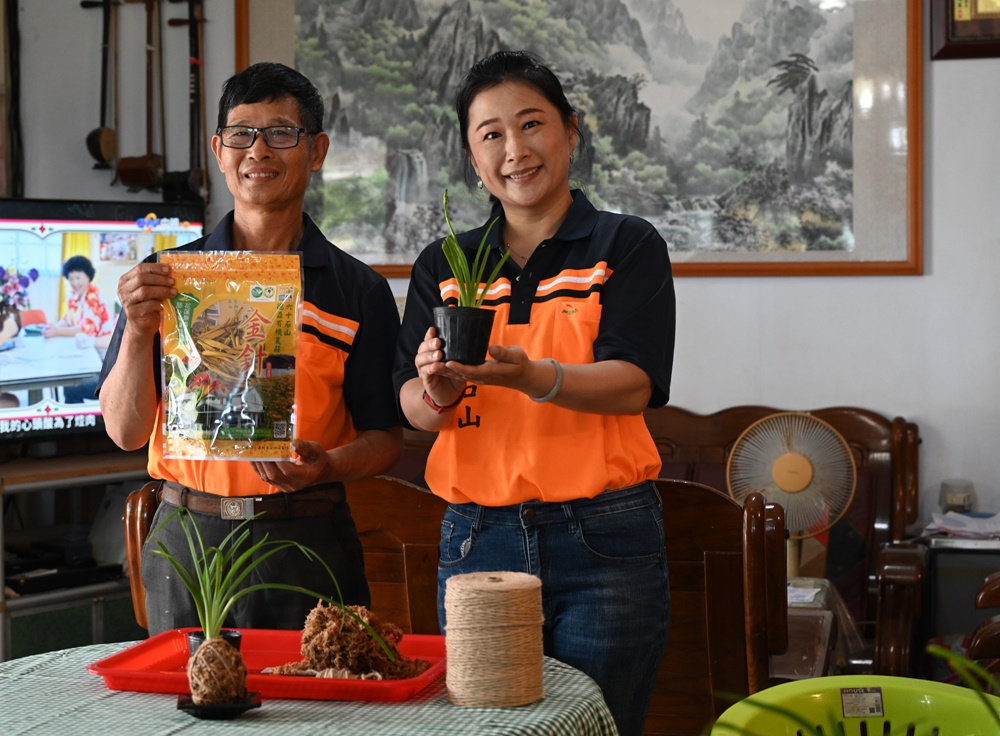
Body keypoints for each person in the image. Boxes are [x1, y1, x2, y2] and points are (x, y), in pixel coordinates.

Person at [394, 50, 675, 736]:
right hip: (476, 541)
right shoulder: (445, 264)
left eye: (531, 125)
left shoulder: (625, 245)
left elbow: (633, 382)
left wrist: (531, 377)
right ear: (471, 153)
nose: (514, 150)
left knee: (598, 729)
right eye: (491, 134)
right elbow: (412, 410)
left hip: (604, 536)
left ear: (570, 132)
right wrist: (435, 391)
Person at [98, 62, 403, 635]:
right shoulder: (165, 279)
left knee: (316, 717)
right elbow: (125, 432)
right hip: (186, 537)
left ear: (315, 151)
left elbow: (386, 439)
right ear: (219, 150)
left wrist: (327, 467)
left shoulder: (358, 290)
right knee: (182, 720)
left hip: (305, 536)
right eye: (241, 133)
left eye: (281, 133)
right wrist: (139, 330)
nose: (258, 149)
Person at [42, 255, 113, 348]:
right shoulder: (74, 295)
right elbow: (67, 320)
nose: (74, 283)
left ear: (88, 277)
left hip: (101, 349)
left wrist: (57, 331)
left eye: (78, 278)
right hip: (83, 344)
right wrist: (53, 328)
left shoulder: (93, 296)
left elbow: (87, 330)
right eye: (71, 279)